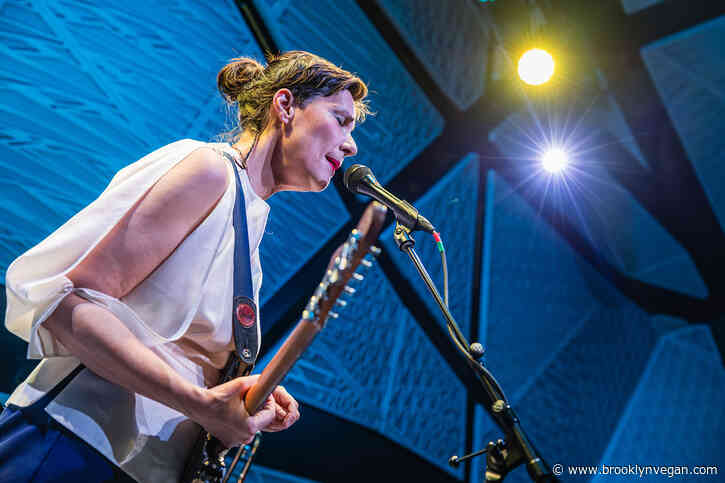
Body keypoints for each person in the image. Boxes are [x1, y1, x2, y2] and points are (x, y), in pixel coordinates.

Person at [0, 50, 370, 482]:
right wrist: (197, 402)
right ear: (285, 105)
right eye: (341, 119)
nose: (351, 144)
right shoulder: (209, 170)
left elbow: (179, 352)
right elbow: (67, 302)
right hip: (71, 445)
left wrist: (242, 396)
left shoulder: (248, 222)